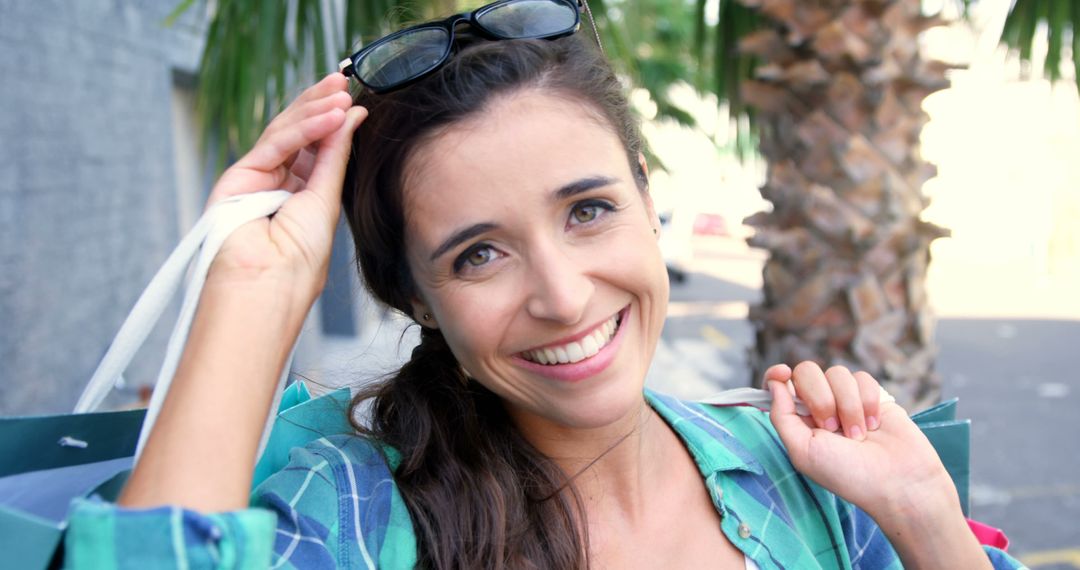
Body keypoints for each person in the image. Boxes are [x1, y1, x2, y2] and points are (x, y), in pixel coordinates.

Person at [65, 1, 1021, 568]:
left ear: (650, 204)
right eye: (477, 254)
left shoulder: (809, 480)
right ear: (416, 303)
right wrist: (257, 281)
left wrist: (928, 524)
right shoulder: (360, 516)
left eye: (589, 210)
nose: (562, 297)